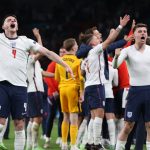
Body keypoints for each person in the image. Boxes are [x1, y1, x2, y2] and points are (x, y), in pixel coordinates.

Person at [0, 14, 73, 150]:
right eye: (8, 20)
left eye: (14, 20)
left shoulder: (25, 41)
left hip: (21, 88)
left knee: (19, 124)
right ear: (4, 26)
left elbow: (48, 53)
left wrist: (65, 65)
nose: (12, 20)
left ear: (17, 26)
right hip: (2, 85)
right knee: (1, 124)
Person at [79, 15, 130, 150]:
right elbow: (110, 40)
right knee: (99, 114)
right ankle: (96, 143)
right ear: (92, 42)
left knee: (94, 115)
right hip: (97, 86)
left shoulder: (89, 54)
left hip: (90, 85)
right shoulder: (95, 50)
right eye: (96, 38)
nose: (98, 38)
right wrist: (120, 27)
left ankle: (90, 142)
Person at [113, 23, 150, 150]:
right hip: (134, 91)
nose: (143, 33)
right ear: (134, 35)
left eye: (144, 31)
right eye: (140, 31)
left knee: (149, 125)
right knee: (128, 125)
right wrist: (117, 56)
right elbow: (115, 66)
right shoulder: (127, 51)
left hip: (149, 91)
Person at [55, 38, 84, 150]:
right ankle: (73, 145)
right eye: (76, 44)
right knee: (74, 117)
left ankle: (63, 143)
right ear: (73, 47)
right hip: (73, 88)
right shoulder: (78, 60)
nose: (77, 46)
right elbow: (81, 79)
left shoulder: (59, 61)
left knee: (65, 116)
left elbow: (57, 78)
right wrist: (81, 92)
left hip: (62, 89)